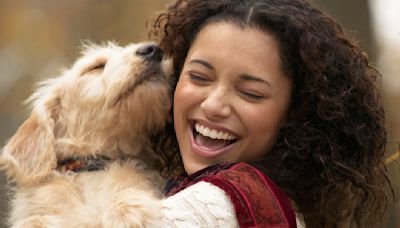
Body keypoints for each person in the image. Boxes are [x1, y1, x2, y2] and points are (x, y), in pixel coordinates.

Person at [148, 0, 393, 227]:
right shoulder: (281, 205)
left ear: (294, 111)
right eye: (199, 77)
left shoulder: (210, 209)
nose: (213, 105)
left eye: (250, 93)